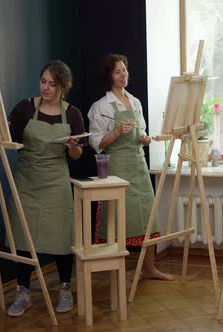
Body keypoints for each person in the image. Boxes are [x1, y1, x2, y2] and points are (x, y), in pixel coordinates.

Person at [6, 60, 84, 316]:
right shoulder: (25, 108)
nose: (46, 88)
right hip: (27, 180)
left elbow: (76, 155)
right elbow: (10, 139)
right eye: (43, 82)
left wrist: (72, 145)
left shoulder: (72, 113)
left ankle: (64, 288)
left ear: (63, 86)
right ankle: (23, 292)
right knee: (23, 236)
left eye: (52, 83)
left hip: (56, 181)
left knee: (61, 237)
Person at [88, 54, 172, 281]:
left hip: (138, 164)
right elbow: (96, 143)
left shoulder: (135, 101)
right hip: (116, 166)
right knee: (119, 219)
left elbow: (141, 131)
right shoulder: (101, 106)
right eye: (117, 71)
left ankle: (150, 269)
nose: (123, 75)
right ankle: (119, 273)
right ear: (109, 76)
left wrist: (144, 139)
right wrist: (116, 132)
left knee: (147, 216)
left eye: (124, 70)